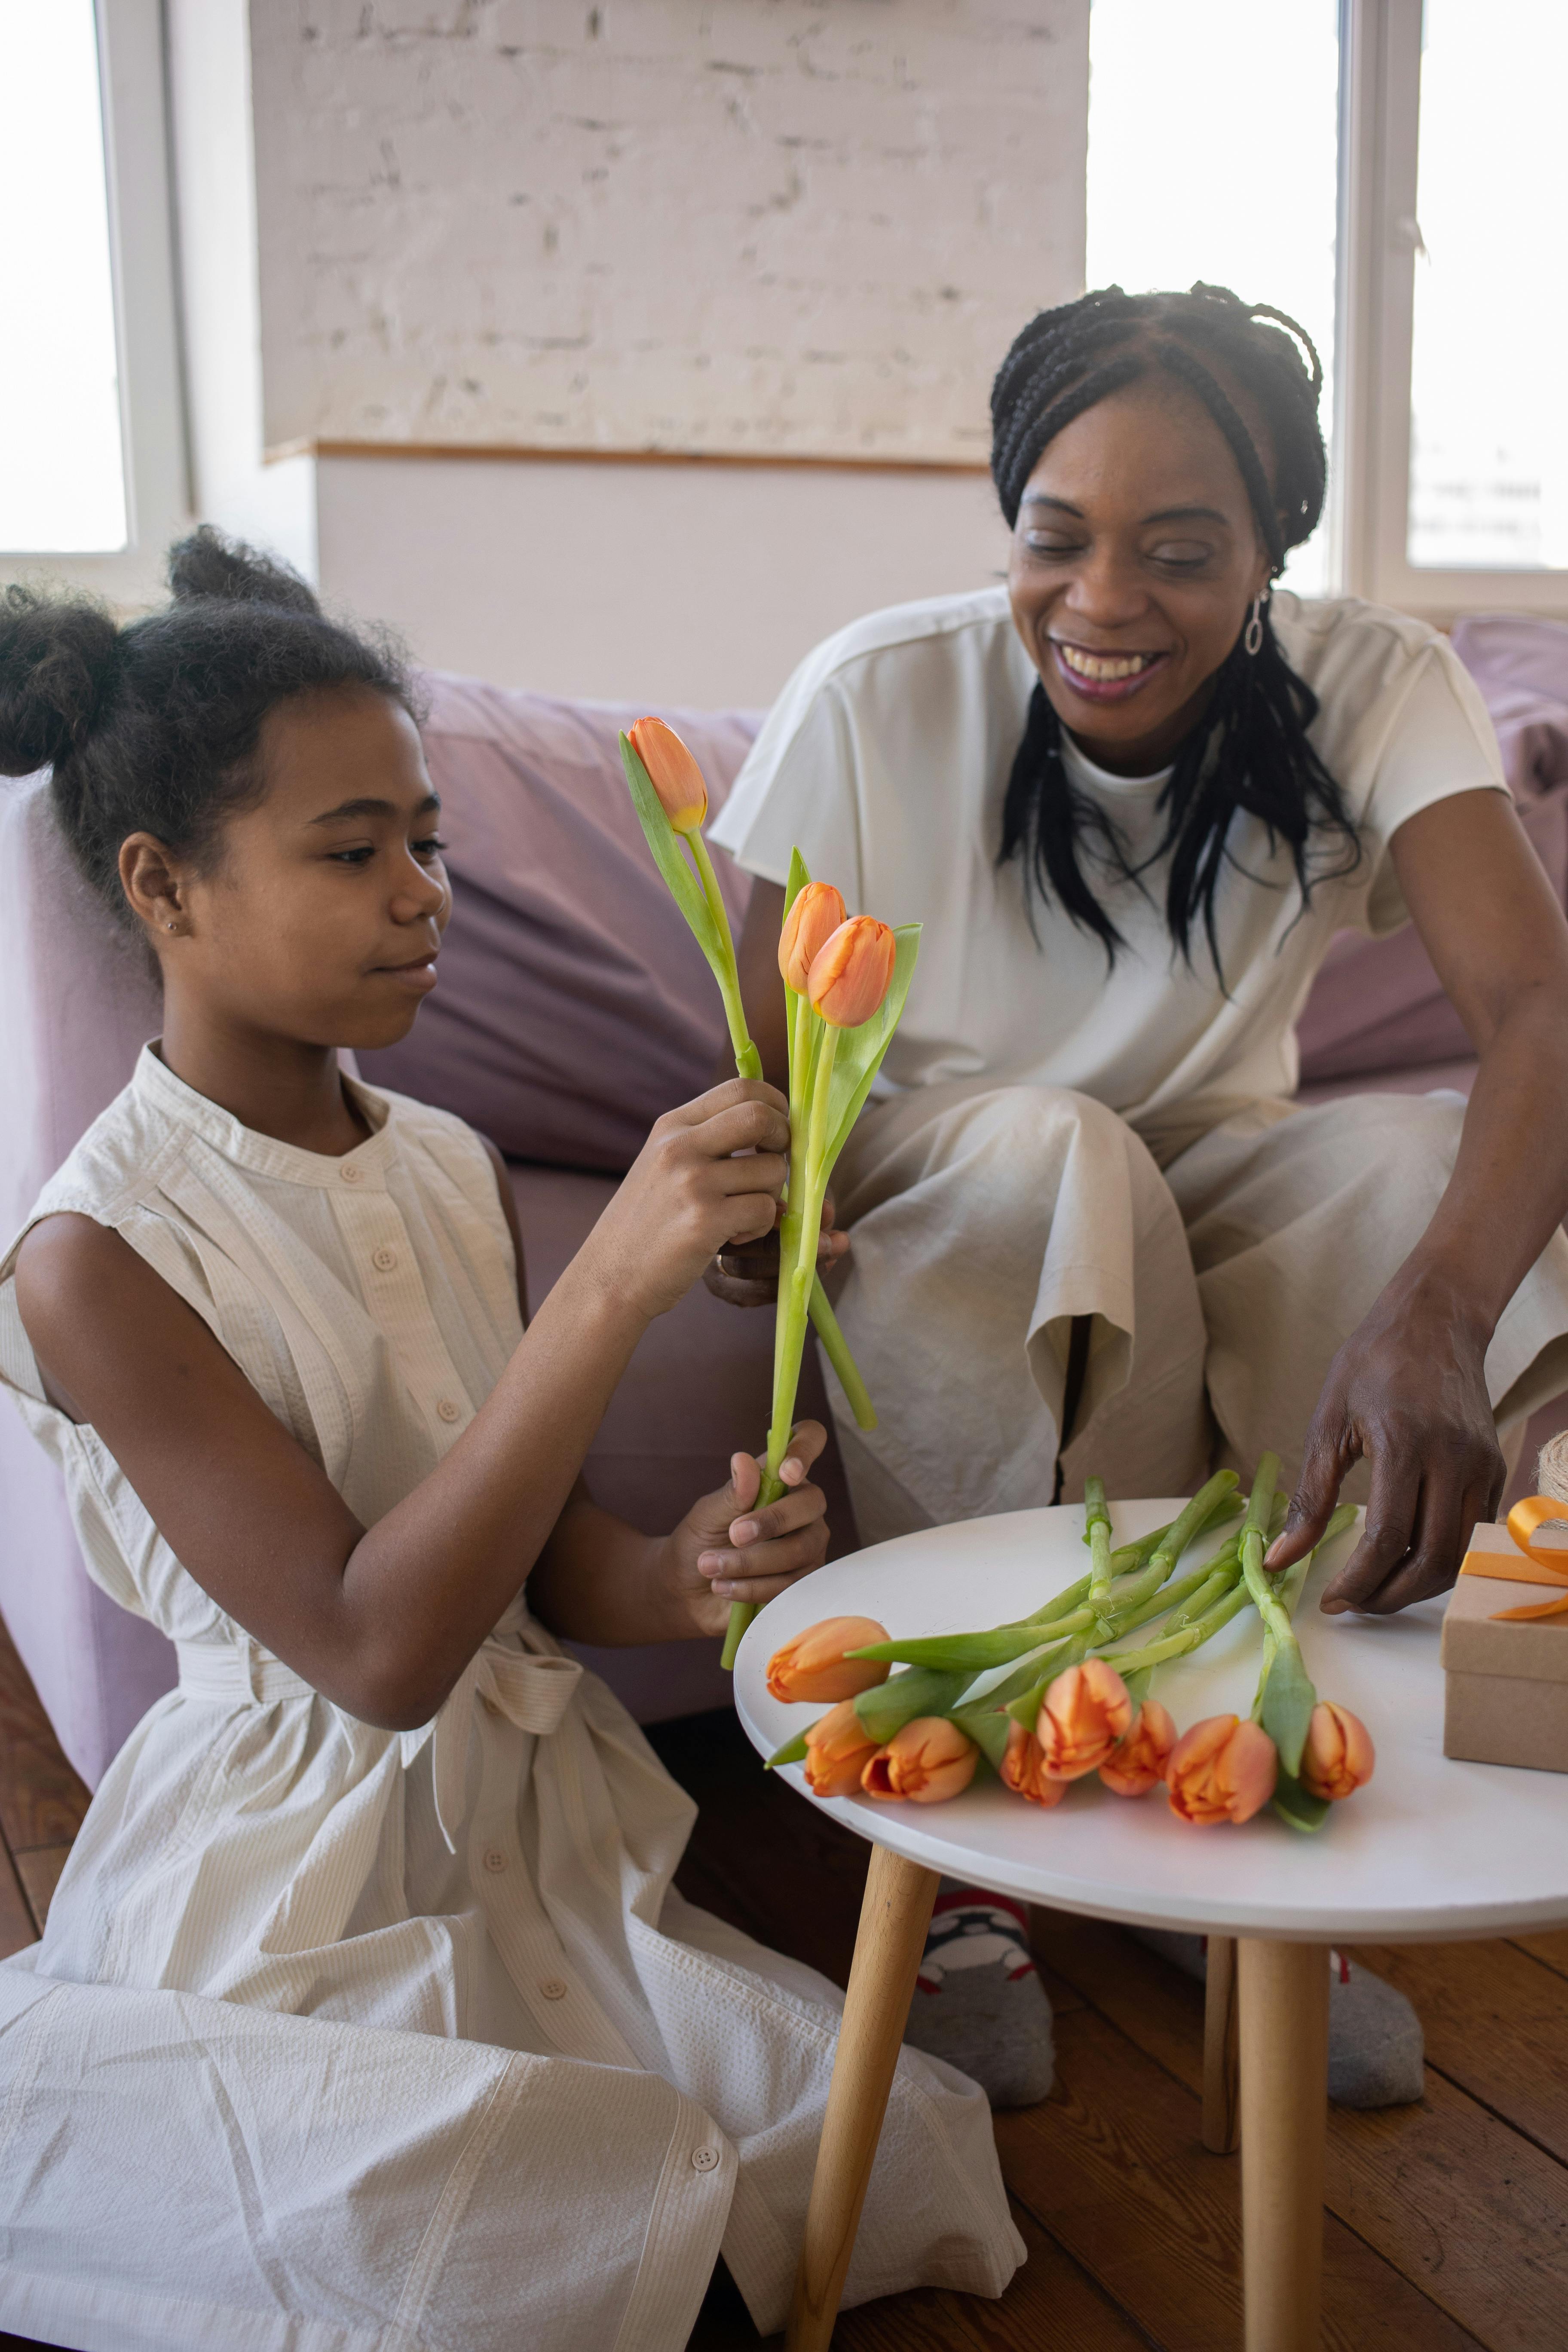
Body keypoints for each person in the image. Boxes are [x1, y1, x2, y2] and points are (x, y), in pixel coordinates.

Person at [0, 535, 1023, 2351]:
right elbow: (376, 1648)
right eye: (351, 850)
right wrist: (610, 1288)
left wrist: (688, 1575)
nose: (422, 894)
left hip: (546, 1839)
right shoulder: (93, 1260)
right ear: (162, 886)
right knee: (526, 2229)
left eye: (430, 839)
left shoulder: (447, 1161)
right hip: (292, 1875)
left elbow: (533, 1573)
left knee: (824, 2159)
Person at [710, 283, 1568, 2110]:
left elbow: (1540, 1006)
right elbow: (759, 1071)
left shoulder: (1377, 681)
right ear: (1009, 524)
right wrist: (752, 1225)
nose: (1103, 604)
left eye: (1181, 551)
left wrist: (1441, 1306)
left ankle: (1235, 1757)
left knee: (1418, 1164)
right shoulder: (874, 696)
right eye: (1057, 539)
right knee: (1058, 1155)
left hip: (1210, 1165)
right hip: (959, 1176)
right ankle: (964, 1830)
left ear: (1271, 554)